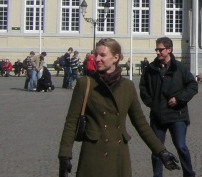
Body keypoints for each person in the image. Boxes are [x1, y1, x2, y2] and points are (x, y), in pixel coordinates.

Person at [58, 38, 180, 177]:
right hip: (93, 155)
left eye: (102, 55)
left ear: (116, 57)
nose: (97, 59)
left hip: (118, 155)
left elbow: (140, 123)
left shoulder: (127, 86)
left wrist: (161, 151)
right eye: (96, 54)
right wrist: (64, 156)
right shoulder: (85, 84)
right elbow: (71, 123)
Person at [139, 37, 198, 177]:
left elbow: (193, 86)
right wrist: (152, 104)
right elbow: (143, 88)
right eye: (157, 50)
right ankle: (157, 175)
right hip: (157, 116)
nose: (158, 52)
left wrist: (179, 99)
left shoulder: (180, 68)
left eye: (161, 50)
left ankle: (189, 174)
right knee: (157, 149)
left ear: (169, 50)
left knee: (181, 147)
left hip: (177, 115)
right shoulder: (150, 69)